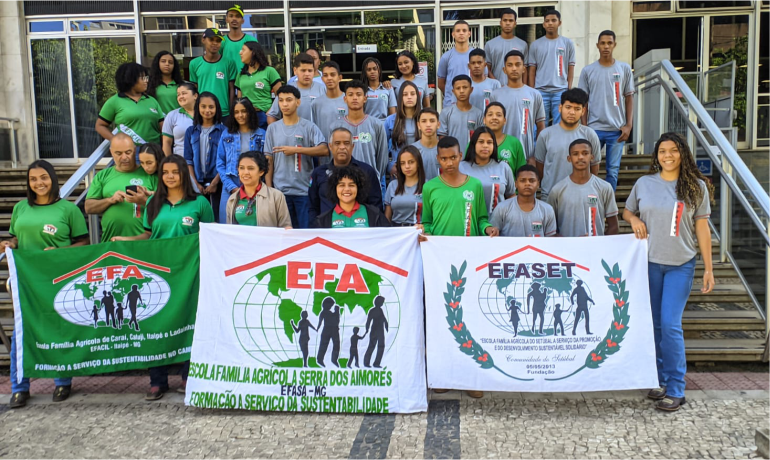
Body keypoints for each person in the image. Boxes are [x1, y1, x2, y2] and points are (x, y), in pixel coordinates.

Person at [623, 132, 715, 412]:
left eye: (673, 150)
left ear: (682, 154)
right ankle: (660, 379)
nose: (667, 156)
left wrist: (709, 269)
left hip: (681, 264)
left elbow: (702, 227)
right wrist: (634, 218)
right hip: (649, 264)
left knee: (671, 324)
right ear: (656, 155)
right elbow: (626, 212)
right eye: (662, 151)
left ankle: (676, 389)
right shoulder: (644, 183)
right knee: (655, 325)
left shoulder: (695, 186)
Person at [111, 155, 214, 400]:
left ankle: (189, 376)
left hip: (190, 275)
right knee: (156, 324)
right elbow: (147, 236)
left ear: (183, 175)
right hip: (157, 275)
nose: (169, 176)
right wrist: (124, 241)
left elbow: (210, 238)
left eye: (175, 172)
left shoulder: (200, 203)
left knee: (189, 323)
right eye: (165, 172)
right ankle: (157, 380)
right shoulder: (153, 203)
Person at [2, 160, 89, 409]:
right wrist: (10, 245)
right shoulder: (20, 208)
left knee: (58, 330)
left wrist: (60, 252)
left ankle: (62, 381)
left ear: (53, 179)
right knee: (21, 334)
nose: (39, 183)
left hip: (57, 280)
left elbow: (83, 242)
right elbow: (15, 238)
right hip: (26, 282)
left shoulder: (68, 210)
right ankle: (19, 387)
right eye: (33, 179)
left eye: (44, 178)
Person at [420, 136, 498, 399]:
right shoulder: (430, 188)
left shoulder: (475, 185)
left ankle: (471, 376)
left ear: (460, 155)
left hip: (470, 261)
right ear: (437, 160)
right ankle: (445, 374)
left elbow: (482, 217)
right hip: (440, 263)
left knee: (471, 319)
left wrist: (487, 228)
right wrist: (424, 233)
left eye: (453, 157)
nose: (449, 162)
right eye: (443, 159)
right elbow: (427, 222)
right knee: (443, 320)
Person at [579, 30, 635, 191]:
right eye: (602, 43)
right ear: (597, 45)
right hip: (594, 129)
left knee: (612, 171)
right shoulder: (588, 71)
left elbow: (629, 97)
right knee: (589, 169)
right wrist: (585, 127)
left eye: (609, 43)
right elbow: (583, 102)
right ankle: (590, 201)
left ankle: (608, 207)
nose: (606, 46)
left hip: (616, 130)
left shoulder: (623, 68)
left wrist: (628, 125)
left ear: (614, 45)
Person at [264, 86, 328, 229]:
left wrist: (297, 150)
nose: (285, 104)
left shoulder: (308, 127)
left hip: (304, 191)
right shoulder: (272, 129)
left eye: (289, 100)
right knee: (284, 236)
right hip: (280, 192)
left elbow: (324, 149)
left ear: (298, 102)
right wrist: (269, 190)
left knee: (304, 236)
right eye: (281, 100)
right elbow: (268, 159)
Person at [85, 133, 157, 242]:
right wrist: (110, 200)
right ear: (111, 152)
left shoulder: (149, 174)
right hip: (111, 243)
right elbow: (89, 207)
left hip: (143, 243)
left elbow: (166, 208)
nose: (124, 157)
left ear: (134, 150)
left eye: (128, 152)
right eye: (118, 153)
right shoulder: (102, 175)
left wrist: (144, 201)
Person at [534, 88, 601, 201]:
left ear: (583, 111)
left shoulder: (590, 135)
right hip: (551, 195)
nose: (572, 112)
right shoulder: (545, 135)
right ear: (560, 108)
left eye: (577, 109)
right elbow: (540, 167)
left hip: (581, 196)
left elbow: (594, 167)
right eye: (568, 107)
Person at [308, 127, 382, 223]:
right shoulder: (318, 173)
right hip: (327, 230)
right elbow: (312, 206)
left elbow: (376, 205)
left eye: (346, 143)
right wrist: (317, 228)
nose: (342, 147)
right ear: (330, 146)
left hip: (360, 229)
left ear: (352, 146)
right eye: (337, 143)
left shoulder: (366, 171)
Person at [548, 139, 619, 237]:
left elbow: (614, 226)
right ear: (569, 158)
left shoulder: (605, 187)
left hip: (595, 250)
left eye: (585, 153)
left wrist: (601, 244)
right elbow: (550, 229)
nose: (580, 157)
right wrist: (568, 245)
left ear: (592, 157)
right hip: (567, 250)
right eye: (575, 154)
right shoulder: (557, 190)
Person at [328, 80, 389, 181]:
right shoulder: (335, 126)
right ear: (345, 99)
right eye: (351, 94)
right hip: (344, 184)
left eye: (359, 94)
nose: (355, 98)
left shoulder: (376, 125)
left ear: (365, 98)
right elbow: (332, 156)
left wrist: (374, 175)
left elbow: (382, 157)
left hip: (370, 181)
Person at [217, 97, 265, 222]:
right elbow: (220, 163)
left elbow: (266, 162)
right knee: (226, 224)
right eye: (236, 112)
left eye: (244, 111)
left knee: (253, 223)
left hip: (255, 186)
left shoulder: (262, 134)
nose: (240, 115)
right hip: (230, 185)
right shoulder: (226, 134)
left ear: (250, 112)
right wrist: (231, 186)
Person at [489, 50, 545, 160]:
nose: (514, 68)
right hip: (500, 154)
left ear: (524, 68)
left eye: (518, 65)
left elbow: (540, 125)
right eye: (510, 65)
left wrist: (536, 154)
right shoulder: (496, 95)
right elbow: (491, 125)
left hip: (527, 154)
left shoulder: (534, 94)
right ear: (504, 70)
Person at [527, 10, 576, 126]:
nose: (550, 23)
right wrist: (532, 90)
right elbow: (532, 70)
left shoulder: (567, 43)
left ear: (559, 23)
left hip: (560, 91)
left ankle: (557, 145)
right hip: (540, 91)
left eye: (553, 20)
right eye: (547, 21)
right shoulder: (536, 45)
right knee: (539, 124)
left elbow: (570, 67)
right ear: (543, 24)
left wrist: (568, 88)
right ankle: (538, 145)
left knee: (560, 124)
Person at [96, 63, 164, 144]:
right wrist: (116, 141)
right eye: (142, 78)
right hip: (129, 152)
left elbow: (163, 128)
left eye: (146, 77)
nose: (146, 81)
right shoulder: (114, 101)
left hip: (154, 151)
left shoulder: (152, 100)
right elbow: (100, 126)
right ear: (130, 79)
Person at [183, 92, 225, 222]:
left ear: (216, 108)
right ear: (198, 108)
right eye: (204, 106)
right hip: (197, 182)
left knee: (216, 218)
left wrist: (215, 182)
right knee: (199, 219)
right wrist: (195, 183)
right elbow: (188, 159)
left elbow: (226, 160)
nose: (207, 110)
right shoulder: (191, 131)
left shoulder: (224, 131)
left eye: (211, 107)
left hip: (218, 182)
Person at [225, 151, 292, 228]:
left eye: (251, 168)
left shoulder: (276, 196)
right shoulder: (232, 199)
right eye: (241, 168)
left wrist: (288, 230)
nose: (245, 172)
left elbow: (285, 226)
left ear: (261, 171)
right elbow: (230, 231)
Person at [460, 126, 515, 216]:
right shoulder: (461, 168)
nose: (485, 145)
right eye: (481, 142)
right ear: (473, 144)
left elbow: (511, 196)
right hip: (469, 224)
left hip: (498, 225)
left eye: (489, 142)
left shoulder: (503, 167)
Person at [313, 165, 391, 228]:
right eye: (341, 185)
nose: (347, 189)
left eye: (351, 185)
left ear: (359, 188)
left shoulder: (375, 215)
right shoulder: (322, 220)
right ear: (334, 188)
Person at [489, 165, 557, 237]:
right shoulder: (502, 208)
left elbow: (550, 239)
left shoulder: (547, 210)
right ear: (516, 184)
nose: (527, 184)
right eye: (522, 180)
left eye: (532, 180)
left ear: (538, 184)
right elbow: (493, 235)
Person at [189, 28, 237, 118]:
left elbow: (232, 89)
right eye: (211, 40)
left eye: (218, 41)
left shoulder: (229, 63)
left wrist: (231, 112)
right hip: (203, 112)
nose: (215, 43)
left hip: (224, 113)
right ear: (203, 40)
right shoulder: (194, 63)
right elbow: (194, 90)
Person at [268, 53, 326, 123]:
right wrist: (276, 132)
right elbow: (272, 115)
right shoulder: (287, 91)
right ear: (295, 70)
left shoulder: (322, 89)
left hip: (316, 133)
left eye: (310, 70)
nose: (307, 74)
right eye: (303, 70)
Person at [236, 41, 281, 129]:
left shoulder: (269, 71)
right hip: (246, 117)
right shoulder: (241, 74)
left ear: (253, 52)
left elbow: (280, 95)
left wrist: (270, 112)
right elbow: (239, 99)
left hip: (264, 116)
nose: (240, 52)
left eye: (243, 50)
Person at [311, 61, 347, 160]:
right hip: (324, 158)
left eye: (333, 75)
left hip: (346, 157)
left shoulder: (349, 101)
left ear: (340, 77)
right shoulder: (316, 103)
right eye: (326, 75)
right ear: (322, 79)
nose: (329, 78)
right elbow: (314, 132)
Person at [438, 75, 484, 154]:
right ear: (453, 91)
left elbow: (481, 138)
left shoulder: (478, 114)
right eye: (458, 88)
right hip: (452, 158)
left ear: (471, 89)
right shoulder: (445, 113)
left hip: (472, 158)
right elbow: (442, 138)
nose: (461, 91)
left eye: (465, 87)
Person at [485, 8, 529, 85]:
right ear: (500, 23)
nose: (508, 23)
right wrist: (497, 84)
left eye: (511, 20)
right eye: (505, 20)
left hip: (517, 89)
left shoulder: (522, 44)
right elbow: (486, 69)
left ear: (515, 23)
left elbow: (525, 69)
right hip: (497, 89)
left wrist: (523, 86)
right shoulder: (490, 44)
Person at [438, 20, 476, 107]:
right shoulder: (446, 57)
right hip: (451, 105)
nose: (461, 33)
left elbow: (482, 79)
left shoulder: (476, 56)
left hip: (472, 103)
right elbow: (440, 83)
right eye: (458, 31)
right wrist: (453, 95)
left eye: (464, 30)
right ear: (453, 34)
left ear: (469, 34)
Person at [384, 145, 425, 226]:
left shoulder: (427, 186)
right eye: (403, 163)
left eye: (411, 162)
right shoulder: (392, 185)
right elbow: (387, 217)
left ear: (418, 163)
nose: (407, 166)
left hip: (417, 232)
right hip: (396, 233)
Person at [385, 81, 422, 168]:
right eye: (405, 94)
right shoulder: (390, 120)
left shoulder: (424, 119)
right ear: (400, 98)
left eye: (412, 94)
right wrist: (390, 166)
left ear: (417, 96)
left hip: (421, 168)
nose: (409, 97)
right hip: (398, 171)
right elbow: (382, 148)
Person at [484, 102, 526, 176]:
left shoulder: (514, 143)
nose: (494, 117)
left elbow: (522, 173)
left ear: (504, 120)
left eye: (499, 115)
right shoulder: (475, 143)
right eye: (490, 114)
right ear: (484, 120)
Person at [162, 83, 197, 157]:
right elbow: (166, 143)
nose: (181, 97)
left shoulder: (205, 113)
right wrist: (170, 162)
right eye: (178, 95)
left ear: (195, 96)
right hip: (181, 162)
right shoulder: (172, 115)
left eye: (184, 93)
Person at [220, 4, 258, 71]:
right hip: (227, 80)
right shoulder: (222, 41)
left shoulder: (251, 41)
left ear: (243, 20)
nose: (234, 19)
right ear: (227, 19)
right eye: (231, 16)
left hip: (246, 79)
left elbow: (257, 62)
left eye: (237, 16)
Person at [147, 51, 184, 116]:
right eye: (163, 61)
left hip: (178, 121)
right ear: (157, 63)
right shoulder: (149, 84)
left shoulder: (181, 85)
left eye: (170, 62)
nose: (167, 64)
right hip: (157, 122)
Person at [411, 108, 441, 181]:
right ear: (418, 125)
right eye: (424, 121)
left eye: (432, 121)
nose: (428, 125)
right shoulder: (412, 150)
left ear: (438, 124)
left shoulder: (445, 149)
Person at [468, 49, 501, 113]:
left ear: (485, 64)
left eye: (479, 62)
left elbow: (499, 107)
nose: (476, 66)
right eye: (473, 63)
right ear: (469, 66)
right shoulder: (465, 85)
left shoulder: (495, 84)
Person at [364, 295, 389, 368]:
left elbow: (384, 319)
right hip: (374, 330)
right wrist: (367, 329)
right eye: (382, 302)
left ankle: (376, 363)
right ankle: (366, 362)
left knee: (381, 346)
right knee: (371, 346)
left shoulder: (381, 310)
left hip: (381, 331)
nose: (382, 304)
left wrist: (386, 325)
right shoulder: (372, 310)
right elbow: (368, 320)